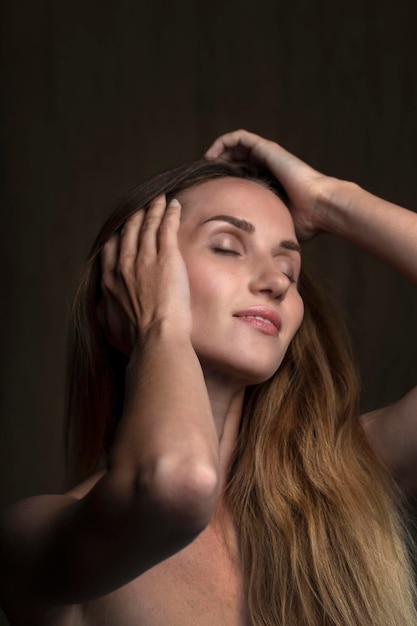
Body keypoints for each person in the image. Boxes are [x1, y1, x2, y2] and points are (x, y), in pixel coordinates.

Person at [0, 129, 416, 625]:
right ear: (132, 281)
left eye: (290, 266)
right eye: (227, 246)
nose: (278, 280)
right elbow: (177, 483)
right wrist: (159, 327)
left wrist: (330, 201)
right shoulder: (38, 536)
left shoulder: (342, 475)